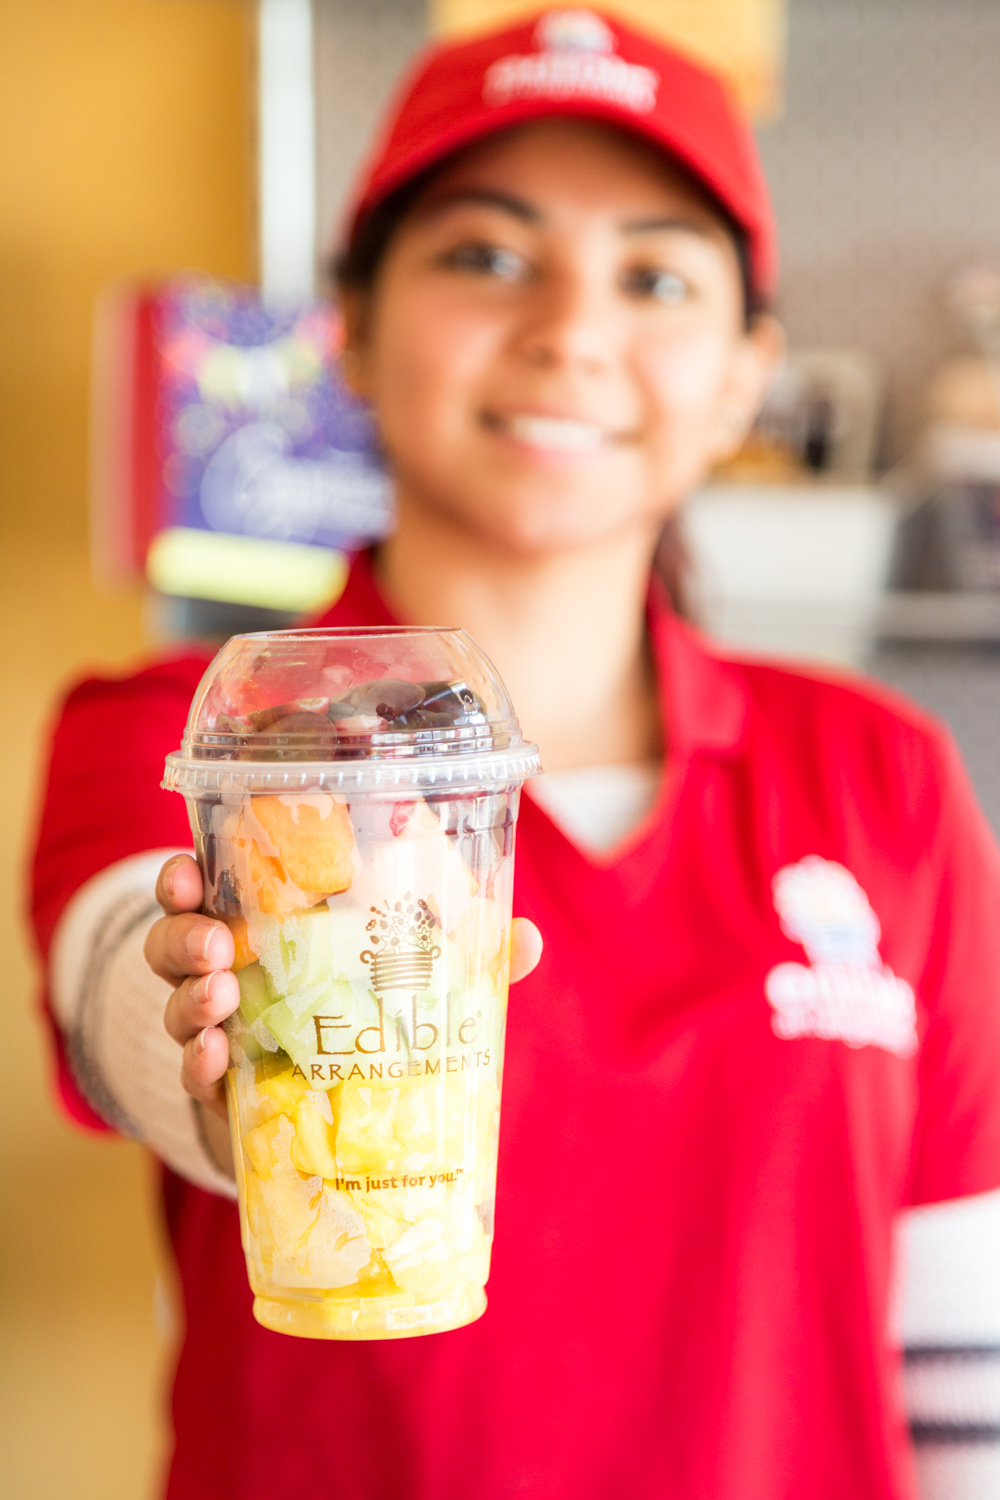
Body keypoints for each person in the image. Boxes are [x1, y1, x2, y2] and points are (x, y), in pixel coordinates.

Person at [30, 10, 1000, 1499]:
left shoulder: (883, 777)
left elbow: (962, 1351)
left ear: (744, 376)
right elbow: (116, 975)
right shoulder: (197, 728)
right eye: (486, 255)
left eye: (654, 277)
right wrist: (224, 1059)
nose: (569, 329)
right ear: (353, 328)